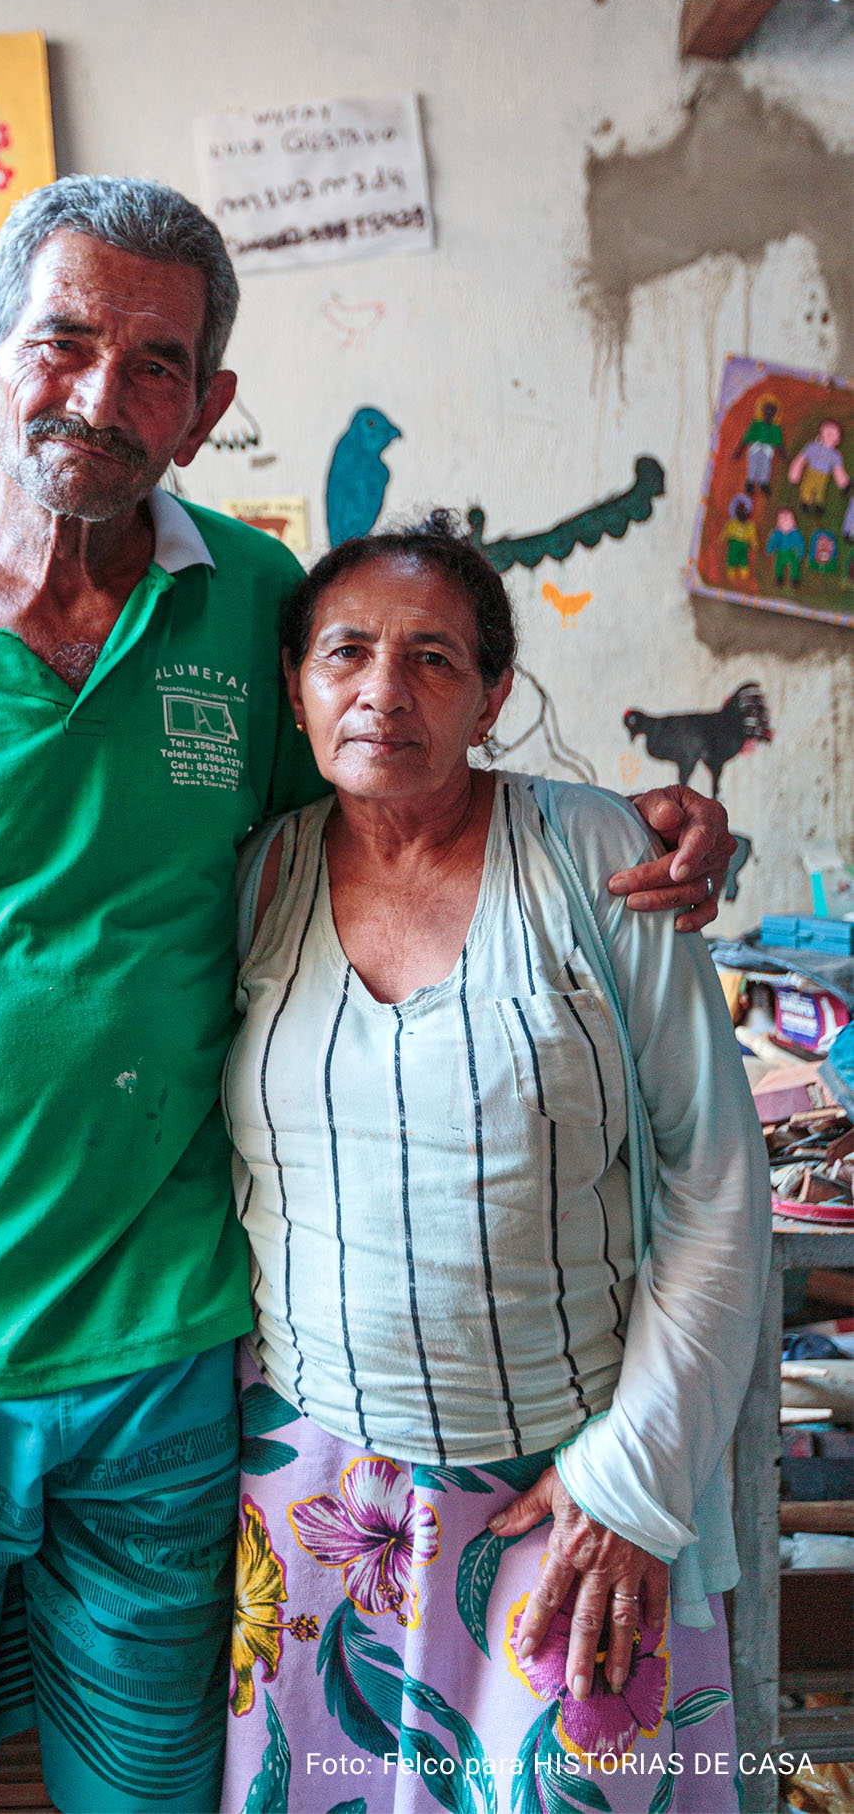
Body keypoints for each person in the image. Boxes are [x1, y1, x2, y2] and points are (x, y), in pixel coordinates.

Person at [0, 175, 732, 1814]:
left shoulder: (257, 605)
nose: (100, 398)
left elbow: (402, 771)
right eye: (62, 344)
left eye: (156, 365)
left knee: (157, 1789)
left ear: (211, 404)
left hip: (172, 1367)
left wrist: (640, 819)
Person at [220, 520, 768, 1812]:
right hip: (320, 1502)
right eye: (345, 651)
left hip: (571, 1493)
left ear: (494, 695)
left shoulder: (598, 862)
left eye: (433, 658)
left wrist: (628, 1480)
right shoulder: (254, 880)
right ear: (296, 682)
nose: (383, 690)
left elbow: (716, 1182)